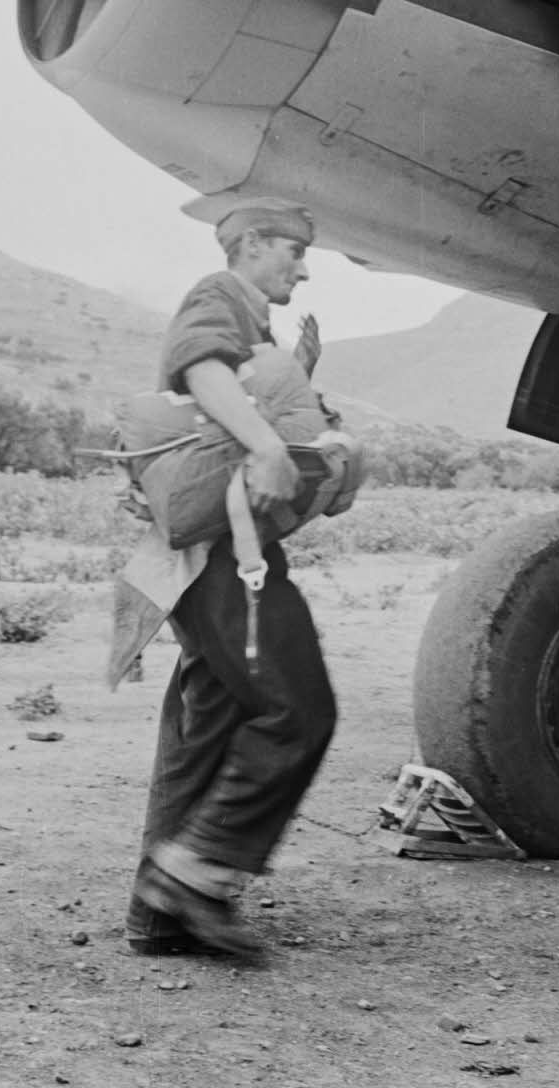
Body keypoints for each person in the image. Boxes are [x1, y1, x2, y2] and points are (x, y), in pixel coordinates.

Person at [124, 197, 337, 957]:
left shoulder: (255, 324)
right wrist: (269, 445)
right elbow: (199, 364)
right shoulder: (219, 294)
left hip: (199, 555)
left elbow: (235, 394)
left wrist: (295, 379)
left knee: (207, 728)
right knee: (299, 710)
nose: (302, 271)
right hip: (225, 553)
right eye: (293, 251)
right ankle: (194, 877)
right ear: (250, 244)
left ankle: (160, 916)